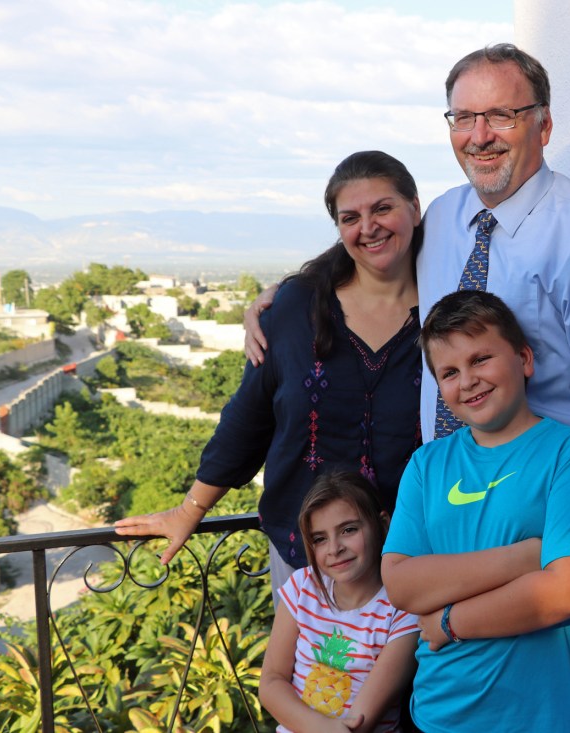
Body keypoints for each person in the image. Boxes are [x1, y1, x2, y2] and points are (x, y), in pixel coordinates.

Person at [245, 43, 570, 636]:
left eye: (501, 115)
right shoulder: (443, 218)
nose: (480, 135)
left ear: (543, 125)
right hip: (444, 514)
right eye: (463, 118)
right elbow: (370, 250)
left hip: (544, 524)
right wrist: (281, 297)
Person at [115, 151, 424, 590]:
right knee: (306, 664)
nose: (368, 227)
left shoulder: (446, 310)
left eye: (382, 208)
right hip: (308, 561)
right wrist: (191, 510)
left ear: (414, 206)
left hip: (410, 559)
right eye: (350, 217)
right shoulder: (298, 309)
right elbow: (250, 417)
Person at [381, 290, 570, 732]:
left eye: (480, 359)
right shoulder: (427, 465)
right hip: (439, 713)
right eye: (449, 372)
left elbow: (569, 592)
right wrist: (525, 558)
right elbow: (401, 583)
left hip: (541, 717)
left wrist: (450, 622)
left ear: (524, 359)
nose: (467, 380)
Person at [260, 471, 419, 733]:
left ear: (383, 525)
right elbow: (271, 682)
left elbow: (361, 720)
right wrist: (321, 727)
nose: (334, 548)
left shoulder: (401, 608)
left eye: (348, 530)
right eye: (320, 539)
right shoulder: (303, 587)